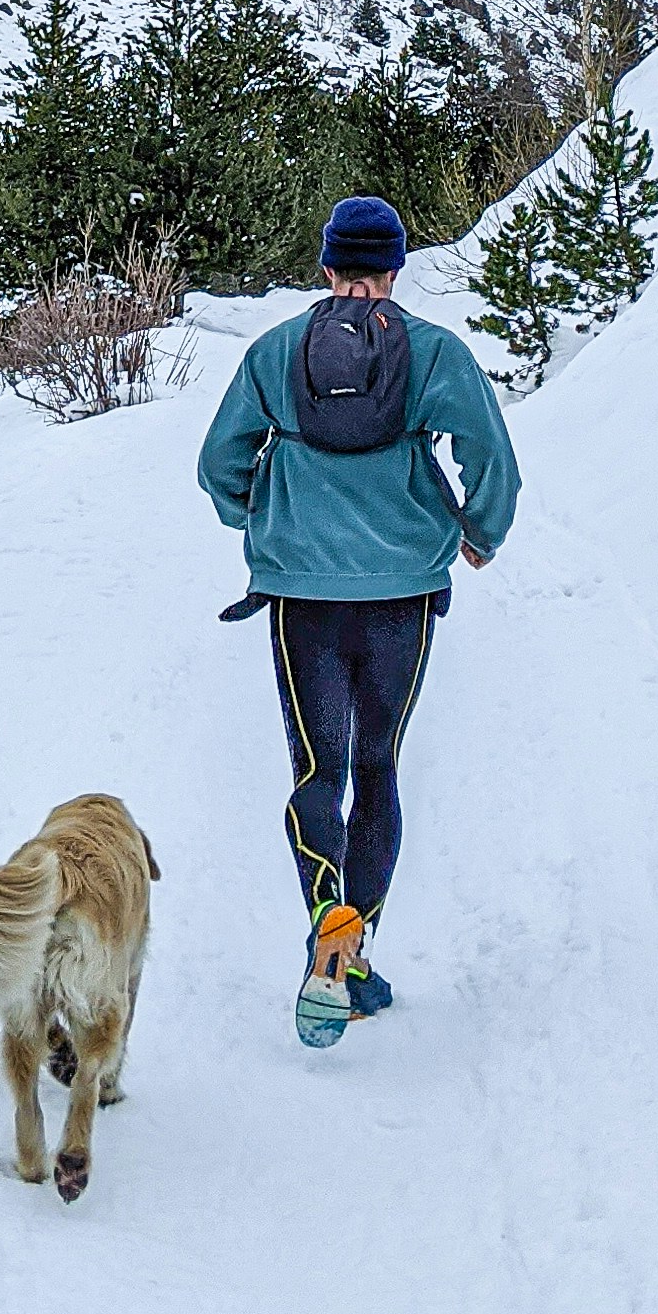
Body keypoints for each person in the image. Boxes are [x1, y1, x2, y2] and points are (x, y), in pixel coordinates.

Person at [196, 193, 521, 1046]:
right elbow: (494, 459)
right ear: (397, 268)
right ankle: (354, 950)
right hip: (402, 594)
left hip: (302, 596)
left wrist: (258, 519)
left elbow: (217, 463)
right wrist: (480, 531)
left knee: (317, 769)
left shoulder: (273, 354)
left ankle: (322, 920)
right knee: (377, 766)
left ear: (327, 266)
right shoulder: (435, 353)